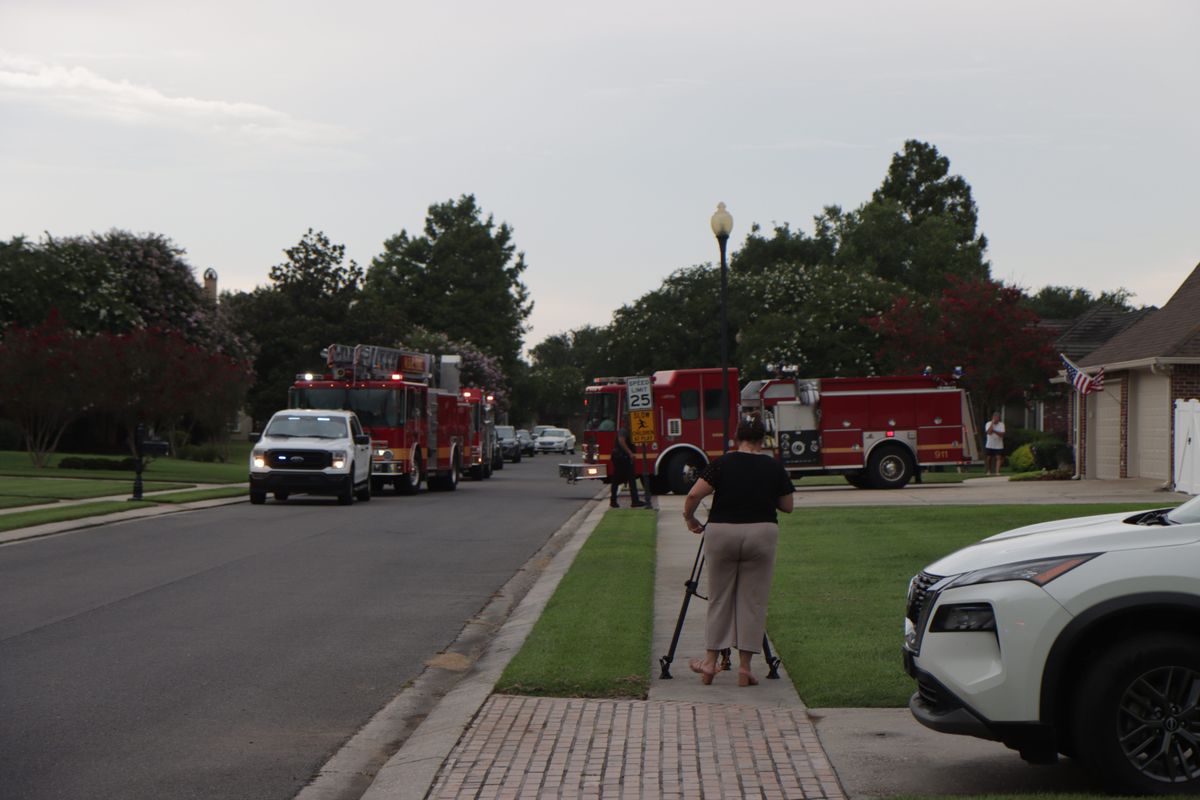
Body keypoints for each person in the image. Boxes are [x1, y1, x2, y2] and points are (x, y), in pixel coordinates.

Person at [681, 416, 794, 686]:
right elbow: (787, 505)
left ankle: (709, 663)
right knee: (752, 601)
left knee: (719, 598)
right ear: (762, 440)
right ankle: (745, 668)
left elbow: (694, 495)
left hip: (723, 532)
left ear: (737, 437)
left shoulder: (722, 463)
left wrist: (690, 518)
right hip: (761, 533)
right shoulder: (773, 467)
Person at [609, 419, 644, 508]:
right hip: (621, 458)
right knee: (619, 480)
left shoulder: (626, 430)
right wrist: (630, 453)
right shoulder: (624, 431)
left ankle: (634, 501)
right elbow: (621, 441)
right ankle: (614, 501)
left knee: (630, 480)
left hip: (622, 457)